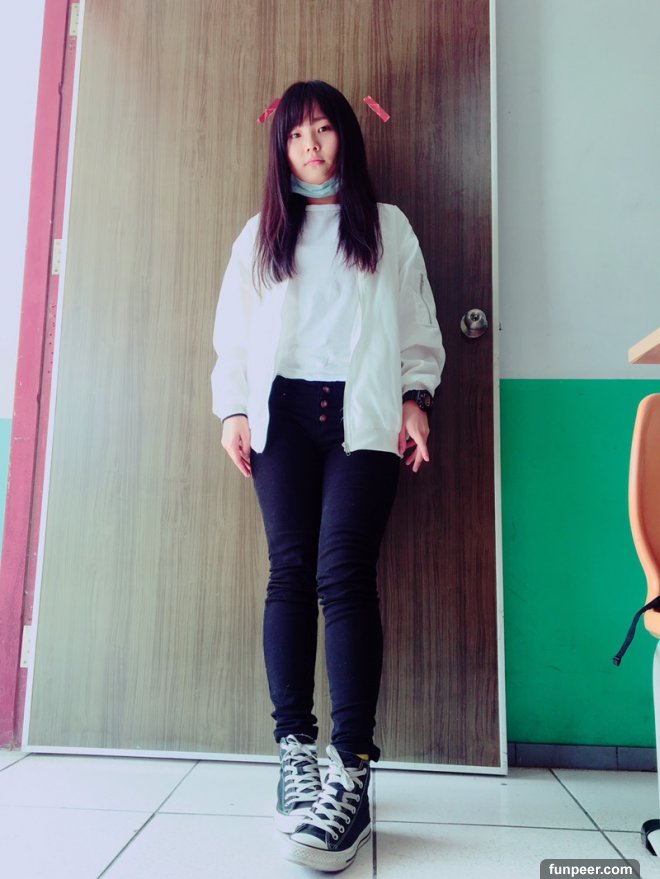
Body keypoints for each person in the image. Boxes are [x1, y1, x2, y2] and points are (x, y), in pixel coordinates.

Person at [211, 80, 444, 873]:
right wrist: (231, 409)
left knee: (343, 572)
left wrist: (416, 398)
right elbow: (234, 335)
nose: (310, 144)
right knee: (290, 569)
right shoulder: (261, 233)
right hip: (280, 418)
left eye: (322, 129)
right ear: (281, 148)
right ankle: (295, 753)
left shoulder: (387, 226)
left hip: (362, 415)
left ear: (346, 135)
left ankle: (352, 770)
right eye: (296, 134)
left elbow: (417, 325)